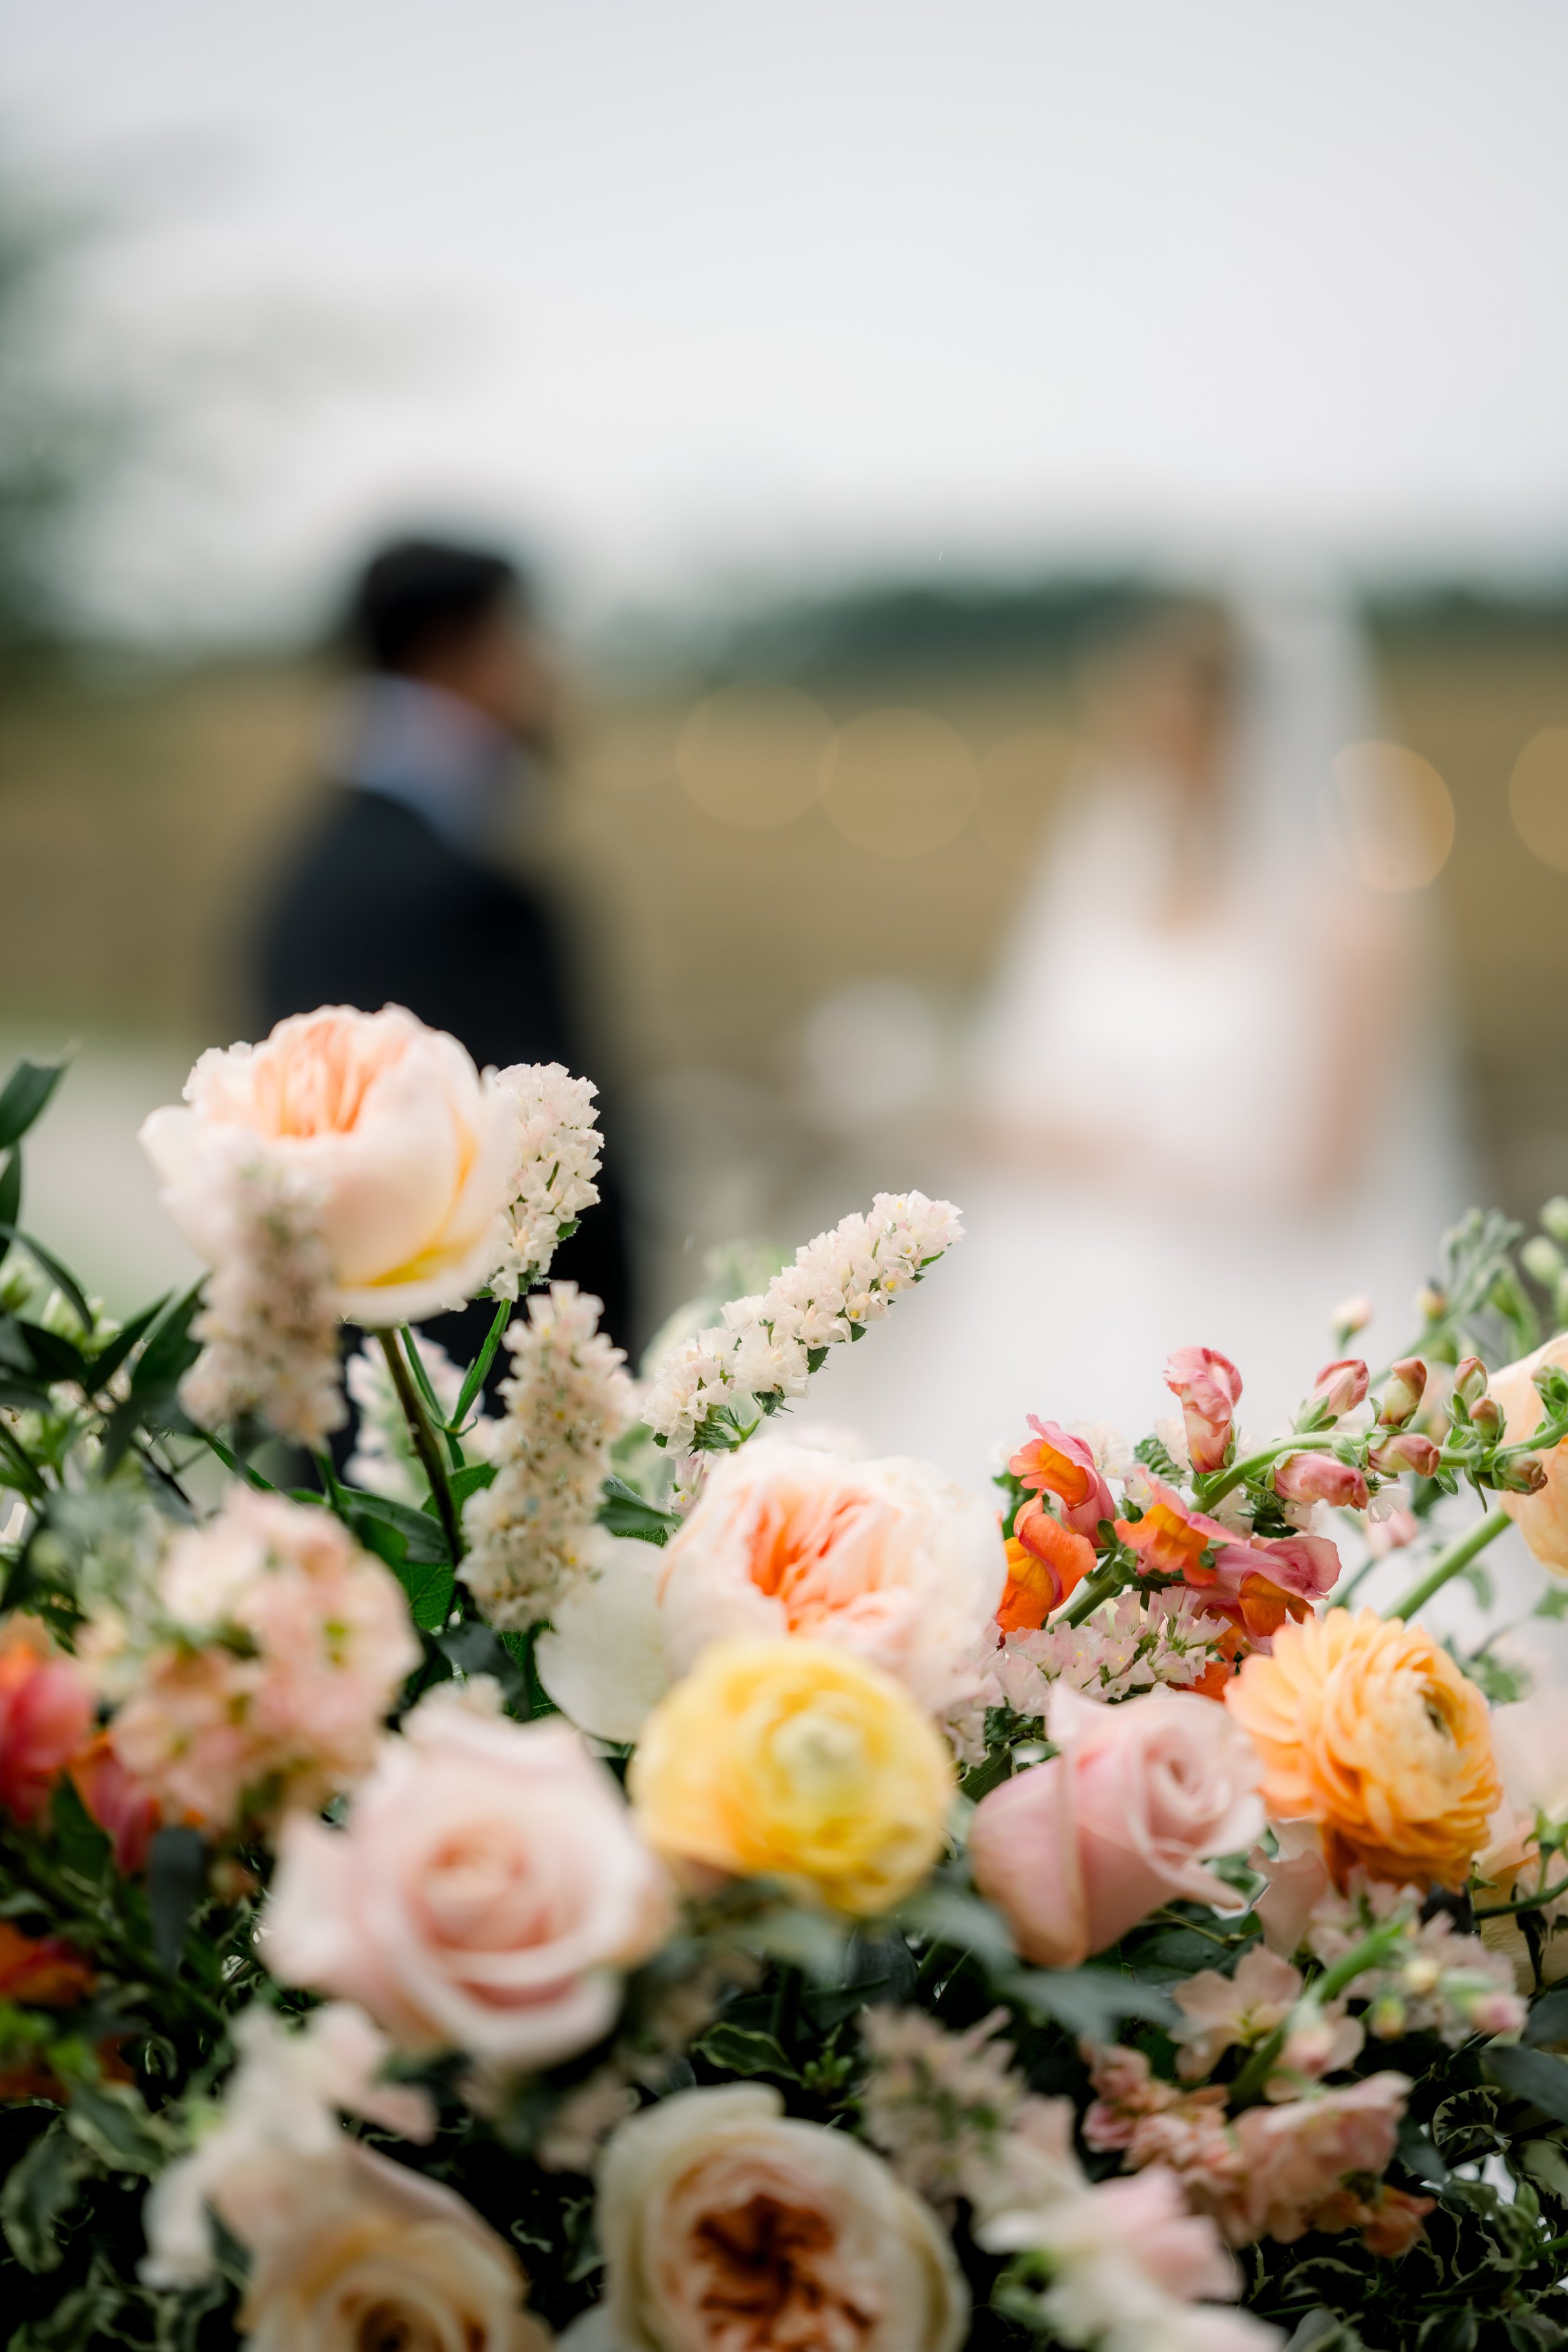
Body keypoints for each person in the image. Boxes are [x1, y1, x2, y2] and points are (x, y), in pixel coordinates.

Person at [821, 579, 1470, 1483]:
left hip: (1243, 1305)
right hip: (1046, 1287)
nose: (1148, 756)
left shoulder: (1348, 922)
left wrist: (1114, 1151)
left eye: (1181, 729)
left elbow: (1327, 1173)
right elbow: (1028, 1069)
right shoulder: (1105, 885)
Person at [255, 534, 632, 1352]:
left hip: (342, 1384)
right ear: (455, 652)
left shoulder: (302, 870)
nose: (546, 672)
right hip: (469, 1409)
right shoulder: (471, 894)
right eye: (523, 641)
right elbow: (561, 1181)